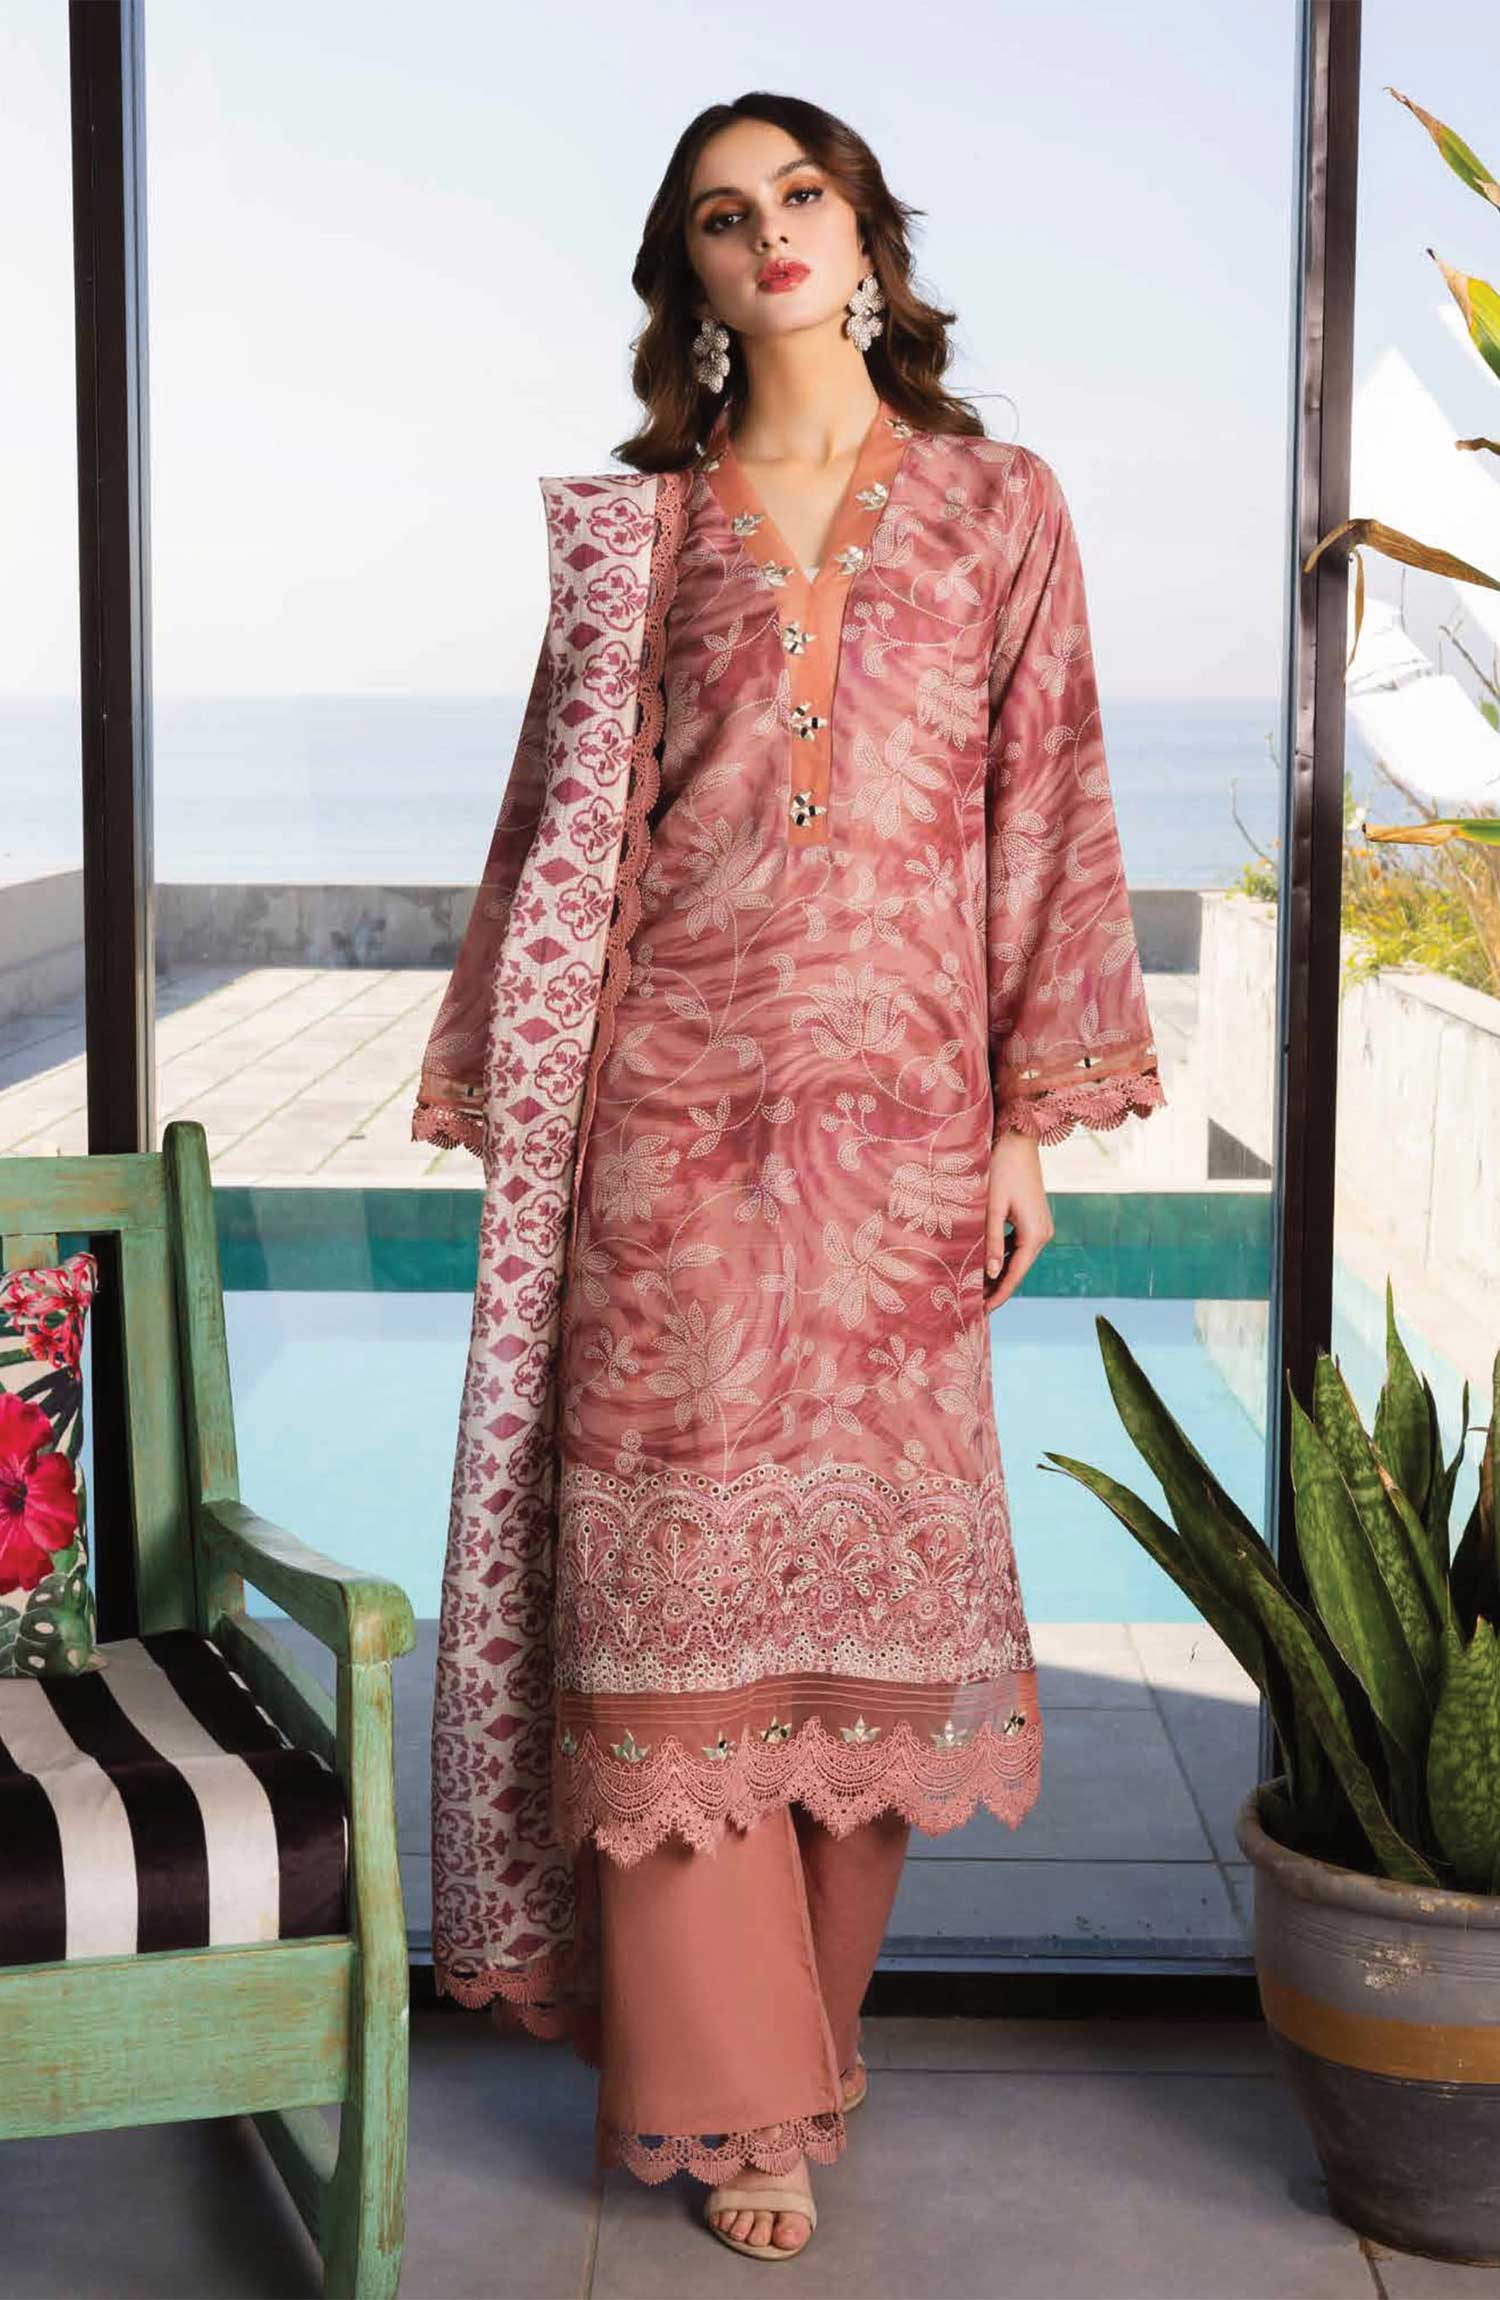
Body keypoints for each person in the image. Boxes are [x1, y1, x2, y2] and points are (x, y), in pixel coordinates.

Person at [413, 89, 1164, 2264]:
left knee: (861, 1624)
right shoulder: (646, 533)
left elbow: (1053, 805)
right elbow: (554, 826)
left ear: (867, 233)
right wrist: (517, 1097)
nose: (770, 236)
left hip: (905, 1145)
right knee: (670, 1609)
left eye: (801, 196)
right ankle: (731, 2095)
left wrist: (1025, 1124)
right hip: (665, 1134)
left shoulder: (1000, 506)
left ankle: (798, 2044)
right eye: (724, 216)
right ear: (693, 278)